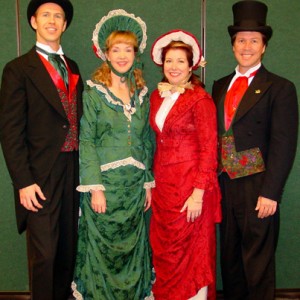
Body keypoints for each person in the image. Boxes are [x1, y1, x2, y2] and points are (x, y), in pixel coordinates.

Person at [212, 1, 299, 299]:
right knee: (231, 259)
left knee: (258, 262)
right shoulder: (219, 85)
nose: (246, 46)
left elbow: (284, 143)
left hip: (258, 185)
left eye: (253, 40)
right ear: (233, 44)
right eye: (240, 40)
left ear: (263, 46)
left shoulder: (280, 87)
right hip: (225, 184)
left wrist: (271, 192)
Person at [0, 0, 83, 299]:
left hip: (72, 170)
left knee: (66, 251)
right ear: (34, 21)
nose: (52, 20)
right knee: (45, 254)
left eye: (58, 16)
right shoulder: (18, 69)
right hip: (39, 175)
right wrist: (23, 181)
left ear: (64, 24)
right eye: (46, 15)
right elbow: (10, 131)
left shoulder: (71, 66)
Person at [71, 9, 154, 300]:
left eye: (127, 49)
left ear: (135, 53)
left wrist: (147, 183)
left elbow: (146, 139)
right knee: (104, 252)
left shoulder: (142, 92)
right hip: (105, 186)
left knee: (132, 251)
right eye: (116, 49)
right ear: (105, 53)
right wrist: (95, 188)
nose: (122, 55)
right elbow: (87, 140)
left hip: (133, 190)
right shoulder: (94, 92)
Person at [149, 30, 222, 300]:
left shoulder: (200, 100)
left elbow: (208, 149)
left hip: (192, 189)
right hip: (164, 189)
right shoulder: (157, 97)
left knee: (191, 252)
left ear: (192, 66)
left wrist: (199, 193)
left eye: (181, 61)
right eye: (169, 61)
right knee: (166, 252)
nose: (174, 67)